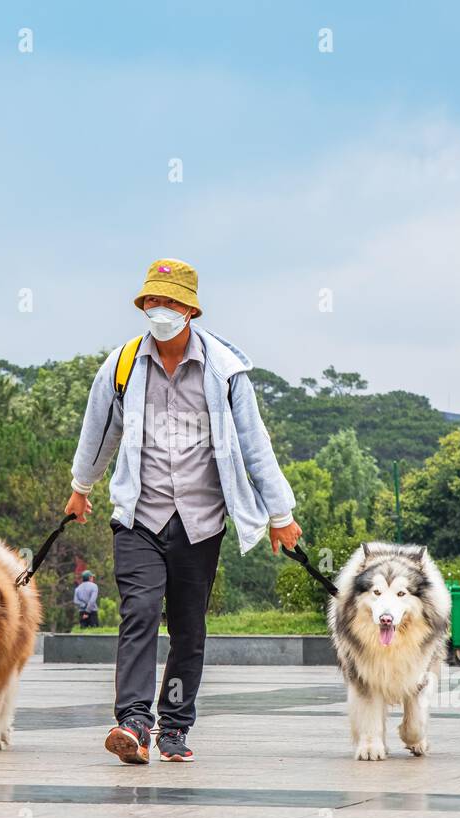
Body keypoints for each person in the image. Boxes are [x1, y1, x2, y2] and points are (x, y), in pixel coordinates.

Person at [65, 258, 301, 764]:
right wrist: (81, 486)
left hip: (199, 521)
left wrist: (280, 514)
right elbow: (99, 430)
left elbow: (254, 445)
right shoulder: (122, 365)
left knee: (189, 628)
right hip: (139, 516)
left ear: (191, 308)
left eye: (169, 302)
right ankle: (132, 722)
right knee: (140, 613)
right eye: (152, 301)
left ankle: (173, 725)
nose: (159, 310)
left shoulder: (225, 371)